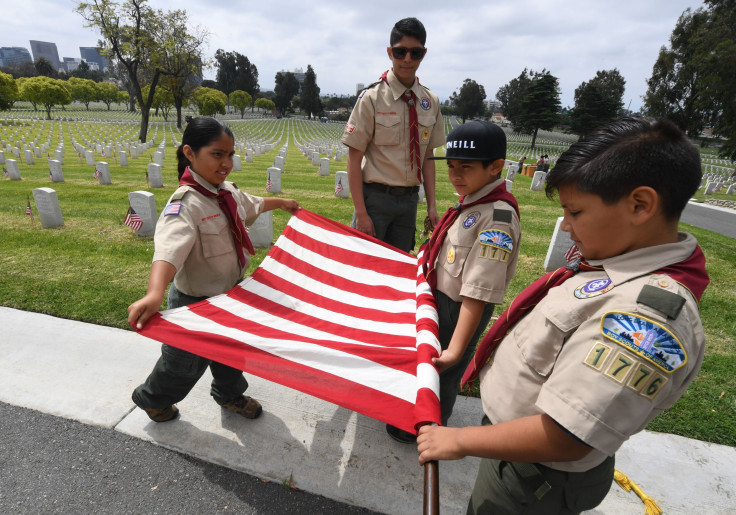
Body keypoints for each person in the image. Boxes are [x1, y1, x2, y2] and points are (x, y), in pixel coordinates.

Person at [417, 117, 710, 514]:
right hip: (514, 450)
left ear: (640, 205)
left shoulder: (645, 318)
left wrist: (459, 441)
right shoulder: (610, 262)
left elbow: (567, 436)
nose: (567, 226)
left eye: (575, 212)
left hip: (537, 477)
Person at [128, 117, 300, 423]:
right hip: (195, 302)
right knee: (181, 364)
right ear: (190, 153)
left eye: (230, 154)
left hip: (232, 294)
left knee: (232, 352)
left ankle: (229, 394)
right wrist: (154, 293)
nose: (227, 163)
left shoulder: (227, 192)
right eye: (217, 154)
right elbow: (169, 251)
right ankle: (152, 399)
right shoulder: (185, 205)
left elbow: (254, 204)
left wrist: (283, 202)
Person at [393, 121, 519, 444]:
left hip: (460, 310)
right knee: (427, 363)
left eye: (466, 167)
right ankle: (418, 412)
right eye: (450, 166)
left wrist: (456, 348)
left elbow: (478, 292)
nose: (455, 175)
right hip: (440, 301)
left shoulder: (497, 218)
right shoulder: (471, 203)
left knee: (443, 370)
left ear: (496, 167)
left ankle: (433, 425)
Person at [341, 17, 445, 254]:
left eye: (415, 52)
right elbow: (354, 158)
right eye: (400, 52)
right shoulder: (372, 98)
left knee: (398, 271)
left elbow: (428, 158)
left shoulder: (430, 102)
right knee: (365, 266)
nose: (407, 59)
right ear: (390, 52)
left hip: (409, 201)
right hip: (375, 200)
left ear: (424, 53)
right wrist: (361, 213)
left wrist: (431, 206)